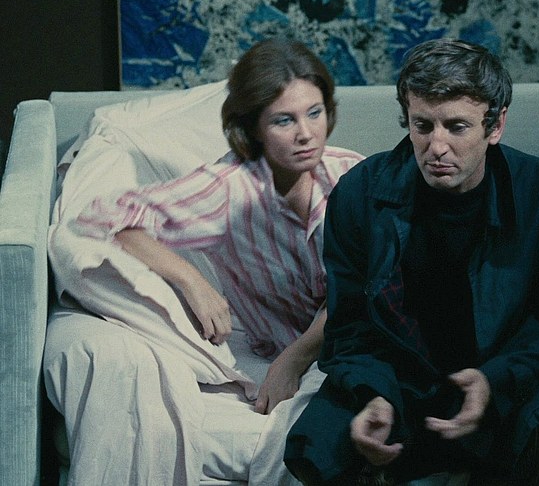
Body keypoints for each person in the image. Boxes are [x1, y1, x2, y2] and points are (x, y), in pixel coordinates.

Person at [284, 38, 539, 485]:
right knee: (316, 448)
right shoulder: (359, 195)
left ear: (495, 126)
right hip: (398, 377)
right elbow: (349, 325)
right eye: (423, 125)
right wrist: (375, 394)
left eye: (456, 126)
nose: (436, 146)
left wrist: (493, 381)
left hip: (507, 374)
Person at [73, 37, 363, 413]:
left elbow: (365, 286)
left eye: (314, 113)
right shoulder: (228, 190)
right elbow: (107, 216)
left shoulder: (353, 173)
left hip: (368, 339)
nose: (306, 134)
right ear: (253, 127)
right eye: (284, 120)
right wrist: (191, 280)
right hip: (313, 357)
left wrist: (293, 361)